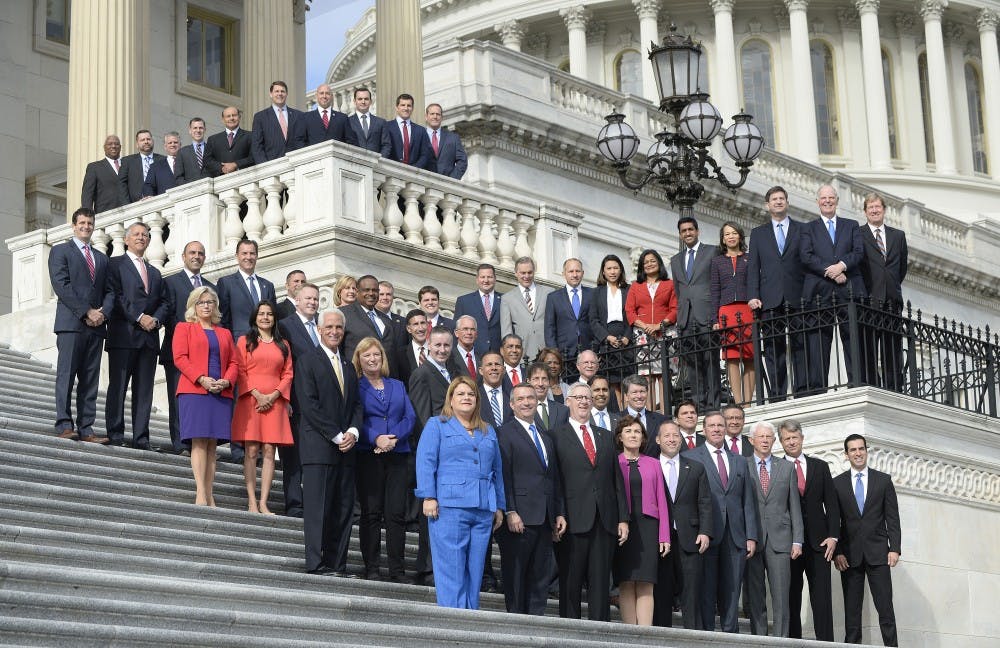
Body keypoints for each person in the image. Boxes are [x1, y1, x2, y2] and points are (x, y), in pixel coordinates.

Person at [415, 375, 505, 609]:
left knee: (475, 571)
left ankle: (470, 618)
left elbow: (498, 471)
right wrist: (428, 496)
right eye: (461, 394)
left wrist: (499, 506)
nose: (467, 398)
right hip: (449, 507)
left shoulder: (488, 431)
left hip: (483, 508)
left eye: (471, 394)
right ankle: (452, 621)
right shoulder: (437, 424)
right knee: (451, 567)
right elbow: (426, 461)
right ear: (451, 400)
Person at [549, 382, 628, 621]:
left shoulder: (605, 436)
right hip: (572, 520)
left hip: (604, 521)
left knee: (601, 583)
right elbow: (554, 480)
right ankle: (571, 634)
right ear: (568, 402)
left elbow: (617, 481)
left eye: (587, 397)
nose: (584, 401)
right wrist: (558, 513)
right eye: (578, 397)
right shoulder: (555, 435)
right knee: (571, 582)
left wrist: (623, 518)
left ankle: (599, 632)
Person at [294, 308, 363, 576]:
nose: (334, 332)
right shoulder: (308, 361)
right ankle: (316, 562)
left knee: (343, 510)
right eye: (329, 327)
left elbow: (356, 404)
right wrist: (336, 434)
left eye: (339, 328)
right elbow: (309, 405)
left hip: (347, 449)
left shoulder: (347, 365)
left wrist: (354, 432)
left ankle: (337, 563)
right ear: (319, 330)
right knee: (318, 509)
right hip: (319, 448)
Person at [496, 383, 566, 615]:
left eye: (531, 398)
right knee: (516, 574)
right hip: (518, 517)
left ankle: (536, 620)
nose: (527, 402)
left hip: (544, 517)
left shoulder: (546, 437)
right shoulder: (504, 433)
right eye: (521, 399)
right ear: (512, 404)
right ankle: (516, 622)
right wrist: (509, 510)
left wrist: (558, 512)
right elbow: (503, 475)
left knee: (539, 574)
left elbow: (553, 478)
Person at [685, 411, 758, 632]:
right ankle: (709, 635)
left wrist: (751, 535)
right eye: (712, 426)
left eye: (720, 425)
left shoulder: (739, 461)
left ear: (726, 429)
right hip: (707, 533)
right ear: (704, 430)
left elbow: (747, 500)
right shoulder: (693, 458)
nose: (716, 429)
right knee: (707, 588)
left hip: (735, 536)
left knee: (733, 588)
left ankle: (731, 635)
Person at [407, 325, 468, 585]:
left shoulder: (456, 372)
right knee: (432, 512)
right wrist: (433, 450)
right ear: (428, 346)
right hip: (436, 452)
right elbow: (422, 417)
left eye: (446, 345)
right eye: (438, 345)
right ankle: (428, 568)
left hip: (457, 454)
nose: (442, 350)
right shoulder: (421, 373)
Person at [48, 207, 113, 444]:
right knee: (66, 374)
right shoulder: (60, 251)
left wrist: (102, 313)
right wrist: (86, 311)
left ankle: (86, 427)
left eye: (90, 223)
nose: (86, 226)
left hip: (96, 326)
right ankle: (64, 424)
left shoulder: (102, 258)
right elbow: (61, 285)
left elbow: (109, 291)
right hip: (71, 323)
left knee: (90, 378)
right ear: (73, 226)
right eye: (82, 223)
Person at [354, 336, 416, 583]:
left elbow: (409, 417)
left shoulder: (398, 385)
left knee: (396, 514)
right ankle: (371, 567)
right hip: (368, 455)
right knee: (371, 513)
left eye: (376, 354)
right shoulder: (355, 385)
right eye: (366, 355)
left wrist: (393, 439)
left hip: (397, 454)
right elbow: (356, 417)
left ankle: (396, 570)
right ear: (359, 359)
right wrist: (376, 438)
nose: (372, 359)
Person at [171, 286, 239, 506]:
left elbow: (234, 363)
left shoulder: (225, 333)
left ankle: (210, 493)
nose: (207, 305)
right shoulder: (184, 328)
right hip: (195, 390)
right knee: (199, 442)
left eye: (210, 302)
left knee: (212, 444)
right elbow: (180, 358)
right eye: (202, 302)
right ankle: (201, 493)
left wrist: (227, 380)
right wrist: (201, 378)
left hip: (220, 391)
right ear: (194, 306)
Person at [833, 434, 901, 646]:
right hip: (850, 555)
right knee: (852, 611)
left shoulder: (883, 480)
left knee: (885, 609)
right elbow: (835, 522)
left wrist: (895, 548)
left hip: (879, 553)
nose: (858, 453)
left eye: (861, 449)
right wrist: (837, 552)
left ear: (866, 450)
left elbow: (892, 517)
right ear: (846, 455)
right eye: (853, 450)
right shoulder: (837, 484)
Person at [105, 222, 168, 449]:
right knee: (119, 387)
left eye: (145, 235)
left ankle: (141, 438)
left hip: (149, 340)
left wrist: (156, 320)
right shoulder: (115, 265)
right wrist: (139, 317)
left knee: (144, 391)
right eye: (137, 234)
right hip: (124, 336)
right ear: (126, 240)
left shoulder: (155, 272)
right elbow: (116, 296)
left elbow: (163, 302)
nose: (141, 237)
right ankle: (115, 434)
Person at [800, 184, 867, 391]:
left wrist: (841, 266)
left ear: (837, 201)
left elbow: (858, 252)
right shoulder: (808, 228)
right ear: (817, 202)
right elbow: (806, 255)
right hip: (820, 291)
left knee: (853, 337)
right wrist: (830, 271)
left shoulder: (851, 225)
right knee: (820, 339)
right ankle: (819, 387)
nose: (827, 201)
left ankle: (857, 383)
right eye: (823, 198)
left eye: (831, 198)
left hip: (848, 288)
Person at [779, 419, 839, 642]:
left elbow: (832, 504)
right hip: (789, 543)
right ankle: (794, 643)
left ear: (802, 439)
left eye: (795, 437)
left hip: (820, 544)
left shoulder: (820, 466)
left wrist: (834, 536)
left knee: (822, 598)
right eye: (787, 438)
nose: (792, 442)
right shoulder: (778, 467)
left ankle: (826, 643)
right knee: (792, 596)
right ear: (781, 442)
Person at [232, 300, 294, 514]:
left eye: (269, 314)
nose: (265, 317)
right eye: (261, 314)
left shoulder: (283, 344)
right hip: (251, 400)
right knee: (251, 450)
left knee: (269, 450)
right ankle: (251, 500)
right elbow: (240, 370)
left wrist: (274, 395)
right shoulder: (245, 341)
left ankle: (264, 502)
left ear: (275, 318)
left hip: (274, 401)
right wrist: (258, 395)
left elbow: (288, 373)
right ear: (255, 317)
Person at [747, 186, 808, 399]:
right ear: (768, 205)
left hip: (797, 295)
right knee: (774, 348)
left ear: (787, 203)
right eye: (774, 199)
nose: (778, 202)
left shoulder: (802, 229)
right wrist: (753, 295)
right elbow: (753, 267)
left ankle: (802, 390)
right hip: (770, 299)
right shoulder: (758, 233)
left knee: (801, 344)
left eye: (782, 198)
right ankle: (778, 393)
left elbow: (807, 263)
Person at [744, 420, 803, 637]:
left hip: (781, 540)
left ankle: (781, 639)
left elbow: (794, 506)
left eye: (769, 437)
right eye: (761, 437)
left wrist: (798, 540)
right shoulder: (743, 465)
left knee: (781, 597)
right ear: (752, 440)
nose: (766, 441)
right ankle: (760, 639)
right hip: (752, 540)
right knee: (756, 596)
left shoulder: (786, 467)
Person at [653, 421, 712, 629]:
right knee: (662, 593)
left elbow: (704, 502)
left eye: (675, 435)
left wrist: (705, 531)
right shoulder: (650, 466)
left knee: (691, 593)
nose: (671, 439)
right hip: (660, 539)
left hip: (690, 537)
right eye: (666, 436)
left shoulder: (696, 467)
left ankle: (692, 638)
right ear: (658, 440)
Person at [614, 416, 671, 626]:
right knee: (626, 582)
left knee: (646, 582)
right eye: (628, 431)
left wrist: (664, 535)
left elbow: (663, 502)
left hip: (648, 527)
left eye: (637, 431)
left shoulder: (654, 464)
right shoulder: (613, 461)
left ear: (643, 438)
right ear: (620, 437)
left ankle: (645, 635)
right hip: (623, 526)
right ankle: (630, 634)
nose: (633, 435)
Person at [161, 241, 215, 455]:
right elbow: (169, 314)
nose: (197, 256)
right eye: (192, 253)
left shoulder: (212, 288)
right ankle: (180, 442)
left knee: (200, 400)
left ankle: (199, 442)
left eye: (201, 253)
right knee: (179, 399)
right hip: (178, 351)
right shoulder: (171, 282)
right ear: (183, 256)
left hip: (205, 354)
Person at [277, 282, 324, 519]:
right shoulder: (285, 326)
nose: (312, 303)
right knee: (293, 455)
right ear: (296, 300)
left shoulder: (322, 328)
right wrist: (284, 399)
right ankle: (294, 503)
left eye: (316, 299)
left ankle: (315, 504)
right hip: (295, 400)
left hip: (319, 404)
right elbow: (281, 364)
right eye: (308, 299)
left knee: (315, 455)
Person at [858, 192, 909, 391]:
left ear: (884, 210)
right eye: (870, 207)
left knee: (892, 347)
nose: (874, 210)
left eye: (878, 207)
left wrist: (891, 286)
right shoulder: (859, 234)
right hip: (870, 299)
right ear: (865, 211)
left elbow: (901, 267)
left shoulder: (898, 236)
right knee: (869, 346)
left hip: (892, 299)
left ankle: (894, 386)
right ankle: (872, 384)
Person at [670, 217, 720, 409]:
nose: (688, 233)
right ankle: (698, 403)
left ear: (697, 231)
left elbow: (716, 283)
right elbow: (678, 289)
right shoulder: (675, 260)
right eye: (684, 231)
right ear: (680, 235)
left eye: (691, 229)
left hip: (706, 313)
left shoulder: (712, 251)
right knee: (692, 363)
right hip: (686, 317)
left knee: (710, 359)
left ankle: (713, 403)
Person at [710, 222, 755, 405]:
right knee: (732, 357)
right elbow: (714, 290)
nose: (731, 236)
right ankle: (738, 402)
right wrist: (715, 318)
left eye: (734, 233)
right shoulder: (717, 261)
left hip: (747, 308)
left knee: (750, 356)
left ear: (740, 236)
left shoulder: (750, 258)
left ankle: (748, 402)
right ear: (723, 239)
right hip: (726, 311)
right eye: (727, 234)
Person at [625, 248, 677, 388]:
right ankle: (650, 409)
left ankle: (664, 409)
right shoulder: (636, 286)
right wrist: (645, 326)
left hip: (664, 332)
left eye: (652, 261)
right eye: (645, 262)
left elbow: (675, 309)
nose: (649, 264)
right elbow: (629, 310)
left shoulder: (670, 284)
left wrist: (659, 325)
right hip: (642, 334)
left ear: (659, 263)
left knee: (664, 374)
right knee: (646, 376)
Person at [341, 274, 402, 377]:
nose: (371, 293)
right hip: (358, 380)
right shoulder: (344, 314)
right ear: (357, 291)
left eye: (374, 290)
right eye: (366, 290)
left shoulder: (386, 319)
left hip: (387, 381)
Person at [216, 239, 277, 340]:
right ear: (237, 256)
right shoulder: (226, 283)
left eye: (252, 253)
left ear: (256, 256)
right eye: (244, 253)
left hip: (266, 342)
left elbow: (274, 317)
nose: (248, 257)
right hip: (239, 343)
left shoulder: (268, 285)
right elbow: (223, 319)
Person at [500, 256, 552, 361]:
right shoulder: (507, 298)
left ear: (534, 272)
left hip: (547, 349)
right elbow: (507, 331)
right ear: (516, 273)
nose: (526, 276)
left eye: (529, 272)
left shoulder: (548, 292)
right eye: (523, 273)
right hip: (524, 352)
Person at [544, 258, 593, 366]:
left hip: (588, 351)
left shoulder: (592, 294)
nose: (574, 275)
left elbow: (596, 322)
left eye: (578, 271)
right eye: (571, 271)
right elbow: (549, 328)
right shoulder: (553, 297)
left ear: (583, 273)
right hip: (564, 353)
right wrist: (554, 353)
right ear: (564, 274)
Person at [589, 254, 631, 377]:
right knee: (611, 381)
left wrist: (627, 337)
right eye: (609, 268)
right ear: (603, 271)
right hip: (606, 340)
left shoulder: (629, 290)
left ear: (621, 270)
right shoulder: (596, 292)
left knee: (627, 379)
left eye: (615, 268)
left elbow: (633, 315)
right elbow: (593, 320)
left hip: (625, 338)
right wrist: (607, 337)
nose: (612, 272)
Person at [454, 263, 501, 355]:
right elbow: (456, 330)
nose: (486, 280)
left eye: (490, 277)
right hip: (473, 353)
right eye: (482, 277)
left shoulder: (505, 300)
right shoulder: (464, 301)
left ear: (495, 279)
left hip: (498, 355)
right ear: (477, 279)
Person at [251, 80, 302, 164]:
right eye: (276, 91)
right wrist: (265, 167)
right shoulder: (260, 117)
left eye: (283, 91)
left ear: (286, 94)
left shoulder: (299, 115)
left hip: (295, 164)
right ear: (271, 94)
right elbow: (257, 146)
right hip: (272, 167)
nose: (280, 94)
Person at [294, 83, 358, 148]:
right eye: (321, 93)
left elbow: (352, 142)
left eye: (327, 93)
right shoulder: (305, 118)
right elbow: (299, 142)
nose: (324, 96)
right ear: (316, 96)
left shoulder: (342, 118)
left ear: (332, 96)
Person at [619, 373, 667, 457]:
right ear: (626, 396)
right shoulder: (617, 419)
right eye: (634, 392)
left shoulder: (661, 420)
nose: (639, 396)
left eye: (642, 391)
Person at [203, 106, 255, 177]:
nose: (231, 118)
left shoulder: (250, 136)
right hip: (221, 181)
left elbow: (254, 156)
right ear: (223, 120)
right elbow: (207, 160)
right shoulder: (213, 139)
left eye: (234, 115)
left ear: (239, 117)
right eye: (228, 116)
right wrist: (222, 168)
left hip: (244, 178)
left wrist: (236, 164)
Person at [386, 93, 431, 169]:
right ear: (397, 107)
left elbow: (425, 154)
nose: (406, 108)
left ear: (412, 108)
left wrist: (415, 168)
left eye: (409, 106)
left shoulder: (421, 130)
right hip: (392, 171)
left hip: (414, 173)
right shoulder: (387, 127)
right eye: (403, 105)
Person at [118, 129, 163, 204]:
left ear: (153, 141)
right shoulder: (127, 161)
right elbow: (121, 185)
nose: (146, 142)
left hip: (159, 203)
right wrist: (127, 206)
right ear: (137, 144)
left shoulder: (163, 160)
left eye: (148, 139)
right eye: (142, 140)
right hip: (135, 206)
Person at [81, 134, 123, 213]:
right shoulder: (94, 167)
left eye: (116, 144)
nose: (113, 146)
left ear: (120, 147)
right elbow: (87, 194)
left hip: (129, 212)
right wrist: (87, 215)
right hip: (105, 213)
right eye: (110, 144)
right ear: (104, 148)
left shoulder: (128, 164)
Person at [424, 103, 467, 179]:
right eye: (432, 114)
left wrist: (452, 179)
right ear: (426, 117)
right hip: (423, 182)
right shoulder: (418, 135)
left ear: (441, 118)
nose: (435, 117)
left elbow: (462, 161)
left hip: (446, 184)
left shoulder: (453, 138)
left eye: (438, 114)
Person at [347, 87, 392, 156]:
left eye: (366, 99)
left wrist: (380, 161)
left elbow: (386, 145)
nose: (363, 102)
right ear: (354, 101)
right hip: (354, 163)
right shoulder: (347, 122)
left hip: (376, 164)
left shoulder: (381, 122)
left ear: (371, 101)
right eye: (360, 99)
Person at [526, 361, 569, 430]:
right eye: (536, 379)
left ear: (549, 382)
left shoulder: (563, 410)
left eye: (544, 379)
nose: (540, 384)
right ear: (529, 381)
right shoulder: (522, 409)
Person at [478, 350, 511, 430]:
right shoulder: (474, 396)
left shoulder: (512, 395)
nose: (494, 368)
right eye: (489, 365)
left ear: (504, 370)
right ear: (481, 371)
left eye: (497, 364)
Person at [142, 132, 181, 197]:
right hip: (165, 203)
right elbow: (148, 185)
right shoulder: (155, 167)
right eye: (170, 143)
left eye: (175, 142)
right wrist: (149, 196)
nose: (173, 145)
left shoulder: (187, 162)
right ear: (165, 147)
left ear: (180, 145)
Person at [400, 308, 430, 385]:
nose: (420, 328)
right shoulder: (399, 355)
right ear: (409, 329)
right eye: (416, 324)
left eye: (423, 323)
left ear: (427, 325)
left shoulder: (438, 351)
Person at [176, 117, 209, 183]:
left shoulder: (212, 149)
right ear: (190, 131)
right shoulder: (182, 152)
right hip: (191, 191)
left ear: (205, 130)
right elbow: (179, 177)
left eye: (201, 128)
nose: (198, 130)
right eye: (195, 128)